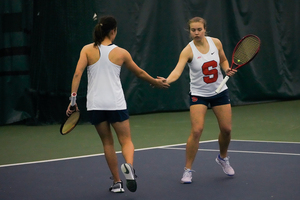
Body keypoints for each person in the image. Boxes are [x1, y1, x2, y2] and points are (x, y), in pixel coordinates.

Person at [66, 15, 169, 193]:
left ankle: (117, 183)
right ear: (113, 31)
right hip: (116, 103)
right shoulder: (121, 52)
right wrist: (156, 82)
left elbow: (77, 73)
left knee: (108, 143)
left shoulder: (87, 50)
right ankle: (129, 166)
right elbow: (140, 73)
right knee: (126, 141)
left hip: (95, 105)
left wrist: (73, 101)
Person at [165, 17, 237, 183]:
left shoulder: (216, 43)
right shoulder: (187, 51)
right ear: (189, 31)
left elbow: (224, 59)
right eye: (193, 30)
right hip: (199, 95)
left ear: (205, 29)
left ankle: (223, 158)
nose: (196, 33)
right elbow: (177, 71)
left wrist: (227, 69)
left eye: (199, 29)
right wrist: (167, 80)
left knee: (226, 129)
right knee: (197, 130)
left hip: (220, 92)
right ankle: (187, 170)